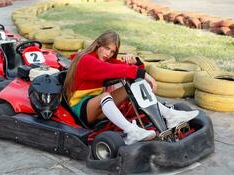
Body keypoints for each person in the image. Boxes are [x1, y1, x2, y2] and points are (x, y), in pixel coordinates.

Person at [63, 30, 199, 144]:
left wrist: (136, 62)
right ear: (98, 44)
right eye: (106, 48)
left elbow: (126, 69)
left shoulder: (105, 60)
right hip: (79, 109)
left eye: (112, 51)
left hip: (96, 107)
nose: (108, 54)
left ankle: (169, 115)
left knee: (132, 84)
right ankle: (131, 132)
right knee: (105, 95)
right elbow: (111, 69)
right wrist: (145, 75)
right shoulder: (86, 60)